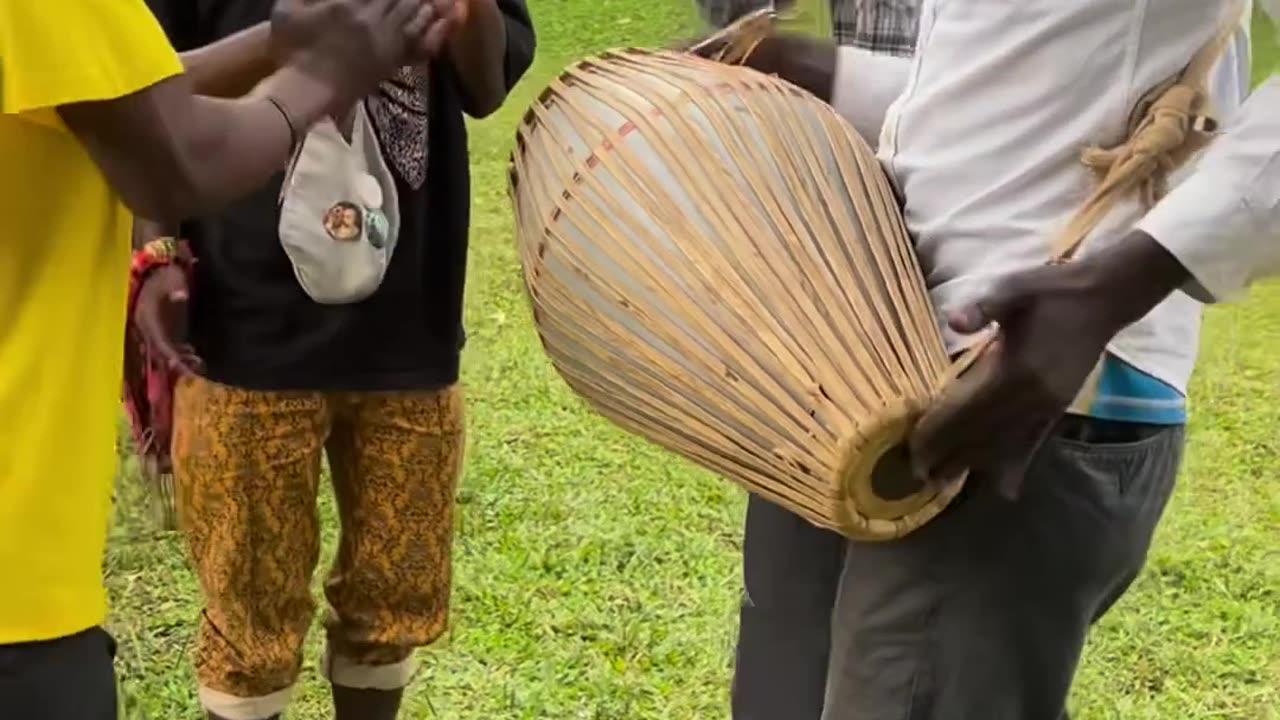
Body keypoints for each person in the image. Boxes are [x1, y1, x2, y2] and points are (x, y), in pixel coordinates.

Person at [698, 1, 1268, 718]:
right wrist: (818, 73)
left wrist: (1117, 284)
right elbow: (1019, 93)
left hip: (1017, 397)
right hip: (877, 370)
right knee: (782, 694)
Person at [0, 0, 446, 717]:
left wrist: (278, 42)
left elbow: (109, 86)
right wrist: (326, 71)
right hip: (15, 589)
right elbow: (178, 157)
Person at [130, 1, 535, 718]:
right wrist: (157, 252)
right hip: (238, 323)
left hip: (411, 321)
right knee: (248, 612)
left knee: (394, 594)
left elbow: (486, 86)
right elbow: (146, 86)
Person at [691, 2, 920, 718]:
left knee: (927, 664)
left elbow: (1037, 103)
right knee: (784, 639)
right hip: (827, 288)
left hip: (981, 308)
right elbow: (744, 28)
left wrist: (829, 74)